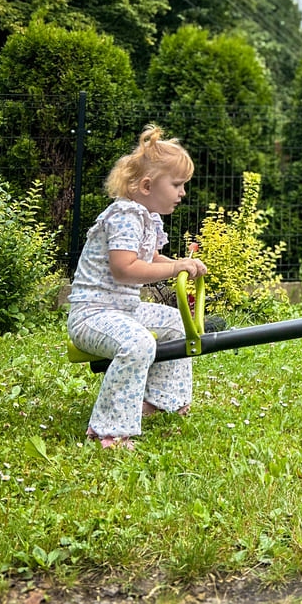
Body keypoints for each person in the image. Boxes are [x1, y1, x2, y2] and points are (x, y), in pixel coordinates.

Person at [67, 124, 208, 450]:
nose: (182, 193)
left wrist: (180, 264)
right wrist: (175, 267)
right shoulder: (124, 216)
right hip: (92, 315)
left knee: (176, 323)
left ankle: (161, 401)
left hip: (123, 310)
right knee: (138, 343)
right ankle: (109, 430)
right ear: (146, 185)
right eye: (176, 184)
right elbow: (125, 268)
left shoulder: (147, 218)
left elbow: (151, 258)